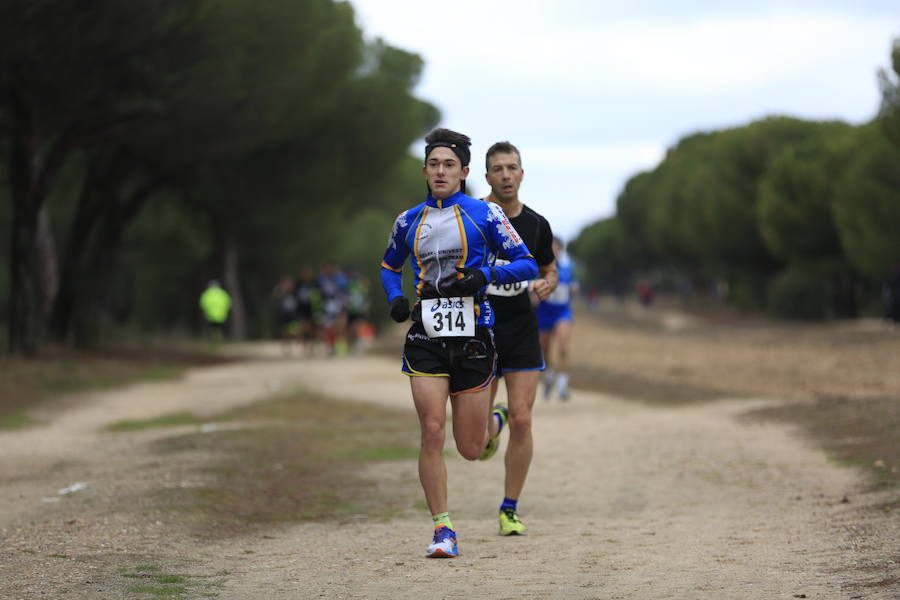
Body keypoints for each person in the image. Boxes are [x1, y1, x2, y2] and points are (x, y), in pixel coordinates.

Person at [380, 128, 537, 558]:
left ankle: (496, 421)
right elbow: (389, 267)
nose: (441, 171)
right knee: (431, 431)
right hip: (426, 336)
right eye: (434, 164)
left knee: (470, 449)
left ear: (465, 172)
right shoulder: (408, 220)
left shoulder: (485, 216)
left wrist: (485, 276)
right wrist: (395, 299)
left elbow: (525, 264)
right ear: (425, 171)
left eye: (449, 165)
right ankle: (442, 530)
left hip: (474, 336)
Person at [481, 141, 557, 536]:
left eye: (513, 168)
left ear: (522, 174)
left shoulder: (537, 225)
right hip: (479, 328)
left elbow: (550, 269)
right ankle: (495, 419)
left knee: (525, 421)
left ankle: (509, 508)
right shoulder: (473, 217)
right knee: (476, 443)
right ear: (487, 176)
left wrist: (547, 284)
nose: (506, 175)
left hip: (521, 327)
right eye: (498, 169)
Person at [537, 238, 578, 400]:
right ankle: (549, 376)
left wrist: (575, 287)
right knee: (544, 349)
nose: (554, 251)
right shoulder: (539, 269)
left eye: (556, 248)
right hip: (544, 313)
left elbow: (574, 284)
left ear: (561, 250)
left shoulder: (568, 268)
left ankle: (562, 385)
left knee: (563, 347)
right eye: (551, 248)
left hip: (563, 312)